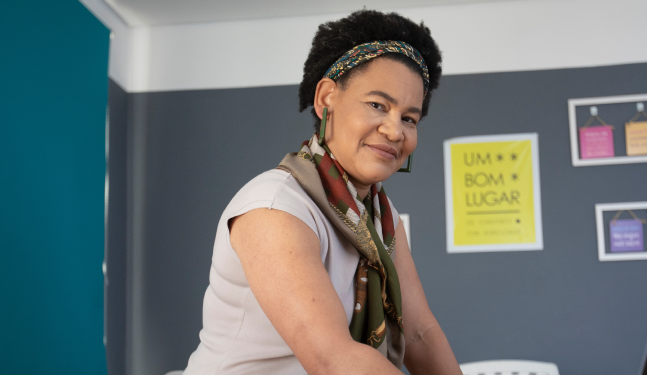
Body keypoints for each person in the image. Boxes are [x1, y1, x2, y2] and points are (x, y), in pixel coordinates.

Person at [183, 9, 461, 375]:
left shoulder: (382, 217)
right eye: (378, 105)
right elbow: (333, 360)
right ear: (327, 98)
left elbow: (420, 333)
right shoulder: (274, 206)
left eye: (409, 118)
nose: (395, 131)